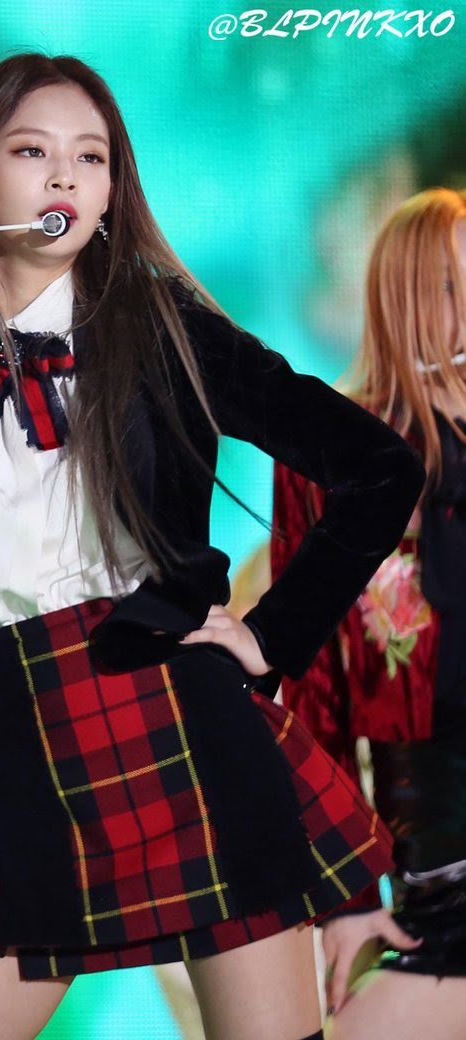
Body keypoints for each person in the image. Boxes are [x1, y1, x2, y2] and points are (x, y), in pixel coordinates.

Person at [0, 54, 425, 1040]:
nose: (64, 175)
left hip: (186, 729)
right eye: (32, 151)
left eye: (91, 157)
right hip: (17, 759)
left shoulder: (162, 329)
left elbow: (379, 468)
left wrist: (271, 635)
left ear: (111, 190)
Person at [272, 187, 466, 1039]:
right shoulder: (341, 449)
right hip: (439, 837)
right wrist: (347, 894)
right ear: (413, 289)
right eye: (454, 279)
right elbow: (310, 690)